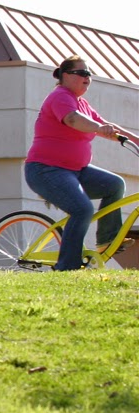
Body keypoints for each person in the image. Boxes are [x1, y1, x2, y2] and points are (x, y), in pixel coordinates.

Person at [24, 56, 137, 270]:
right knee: (82, 209)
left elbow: (106, 126)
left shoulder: (82, 103)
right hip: (46, 170)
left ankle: (106, 240)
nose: (87, 77)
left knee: (115, 185)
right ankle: (67, 266)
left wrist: (134, 140)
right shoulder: (60, 97)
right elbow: (73, 120)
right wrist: (97, 128)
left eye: (89, 74)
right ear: (65, 76)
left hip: (75, 171)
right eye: (82, 73)